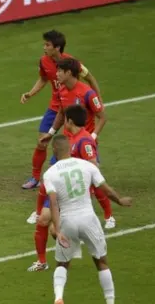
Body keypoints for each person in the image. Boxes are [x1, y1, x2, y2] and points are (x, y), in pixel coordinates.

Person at [44, 135, 132, 304]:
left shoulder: (50, 174)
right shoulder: (86, 166)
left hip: (67, 221)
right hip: (88, 219)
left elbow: (54, 204)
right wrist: (120, 200)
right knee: (101, 262)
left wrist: (57, 228)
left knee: (62, 263)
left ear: (54, 150)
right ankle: (110, 301)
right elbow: (105, 190)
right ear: (69, 148)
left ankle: (59, 297)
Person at [27, 105, 113, 272]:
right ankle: (42, 261)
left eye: (64, 118)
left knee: (52, 227)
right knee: (44, 221)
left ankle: (73, 247)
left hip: (73, 193)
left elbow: (93, 166)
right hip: (60, 187)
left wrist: (88, 188)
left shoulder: (85, 140)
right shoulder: (69, 138)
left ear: (69, 121)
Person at [21, 30, 101, 190]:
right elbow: (43, 79)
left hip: (72, 108)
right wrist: (30, 93)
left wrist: (97, 100)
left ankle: (90, 172)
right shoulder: (44, 62)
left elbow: (90, 78)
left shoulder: (72, 63)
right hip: (56, 107)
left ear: (57, 48)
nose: (44, 47)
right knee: (41, 142)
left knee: (76, 141)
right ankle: (35, 178)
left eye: (47, 45)